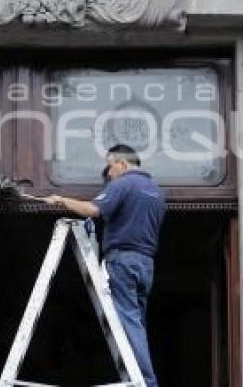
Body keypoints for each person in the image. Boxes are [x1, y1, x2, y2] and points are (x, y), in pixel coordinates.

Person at [44, 144, 165, 387]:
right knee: (136, 322)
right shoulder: (156, 191)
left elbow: (93, 209)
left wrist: (61, 200)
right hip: (145, 264)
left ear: (121, 163)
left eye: (110, 166)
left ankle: (146, 382)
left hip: (123, 261)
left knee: (128, 322)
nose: (108, 173)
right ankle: (141, 378)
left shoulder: (123, 184)